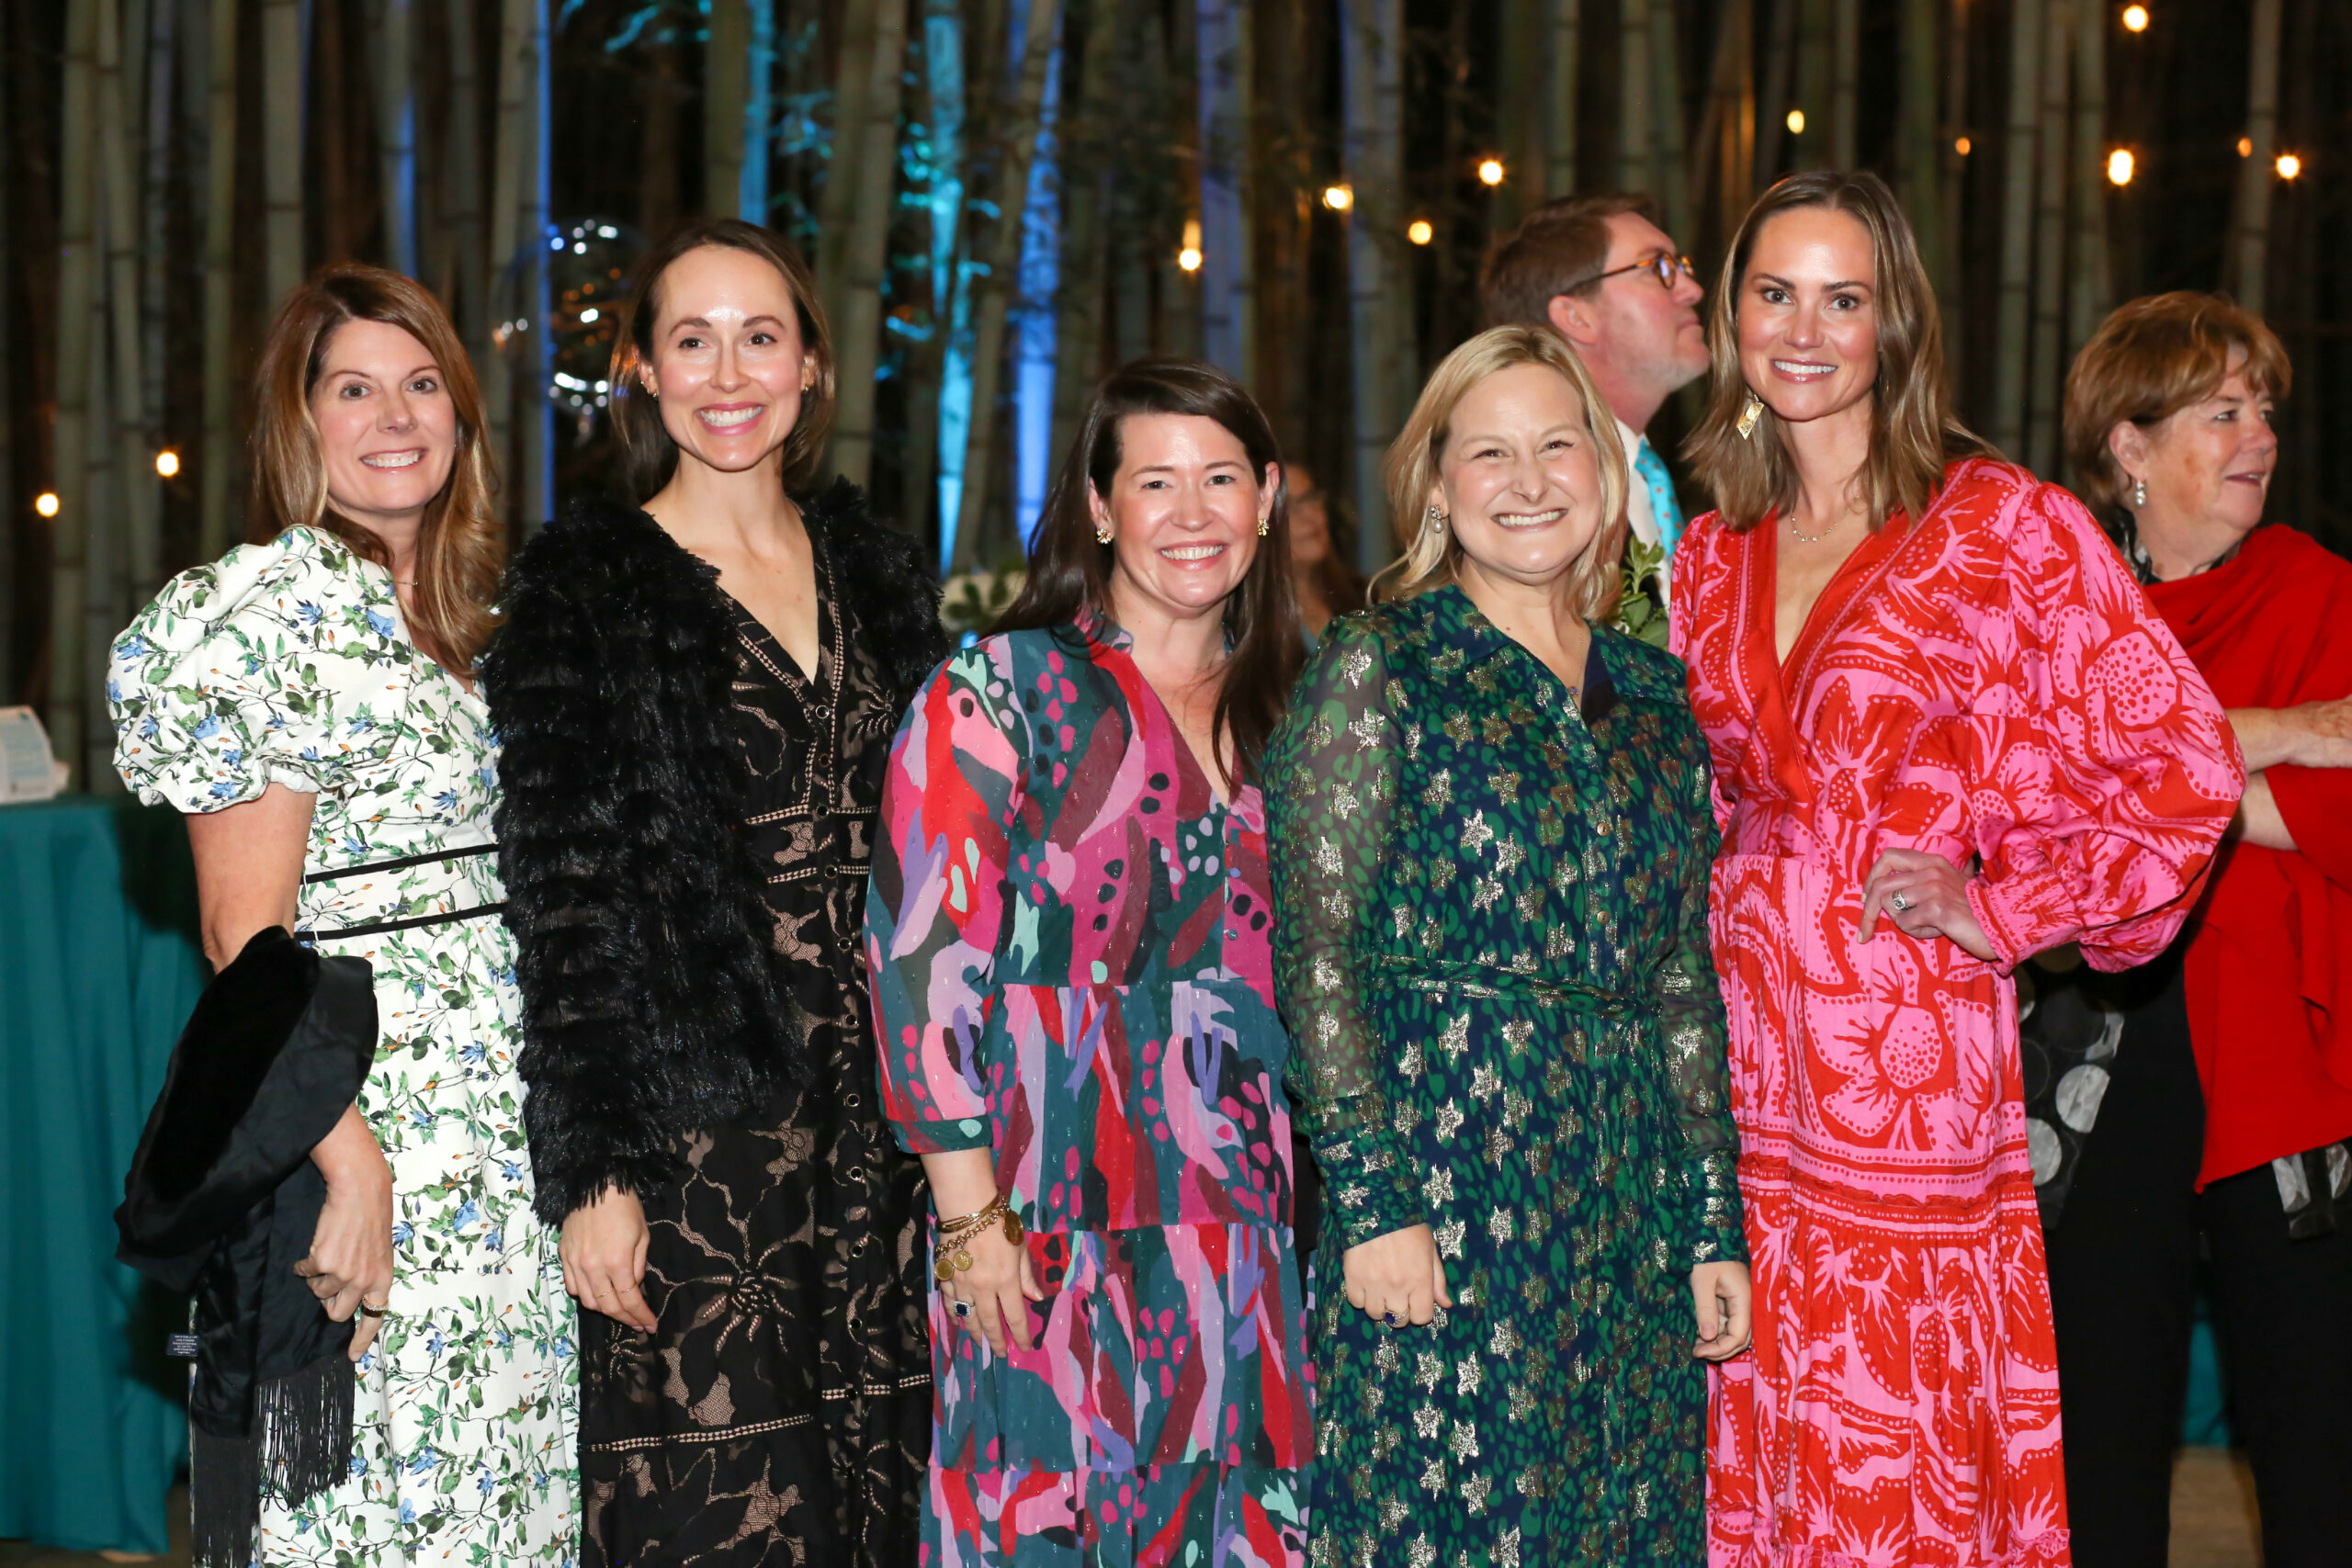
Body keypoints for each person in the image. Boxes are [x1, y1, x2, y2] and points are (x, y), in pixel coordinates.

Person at [1670, 173, 2245, 1568]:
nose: (1803, 330)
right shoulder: (1708, 552)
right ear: (1735, 317)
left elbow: (2184, 764)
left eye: (1843, 299)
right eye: (1774, 294)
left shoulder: (2000, 528)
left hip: (1903, 1068)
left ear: (1895, 327)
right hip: (1740, 1070)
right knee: (1756, 1422)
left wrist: (2005, 908)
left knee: (1893, 1440)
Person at [482, 219, 944, 1566]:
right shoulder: (585, 588)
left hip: (888, 1131)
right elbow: (564, 908)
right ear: (643, 369)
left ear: (812, 366)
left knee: (889, 1500)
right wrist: (594, 1170)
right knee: (720, 1514)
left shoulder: (880, 571)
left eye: (761, 338)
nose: (729, 374)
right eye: (694, 340)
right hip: (700, 1142)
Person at [107, 265, 577, 1562]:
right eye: (354, 390)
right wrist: (349, 1165)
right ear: (300, 420)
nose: (395, 416)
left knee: (503, 1491)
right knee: (379, 1503)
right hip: (371, 1123)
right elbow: (242, 942)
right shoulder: (269, 611)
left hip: (503, 1141)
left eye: (421, 384)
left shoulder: (466, 622)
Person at [1265, 324, 1750, 1567]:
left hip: (1627, 1200)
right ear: (1436, 485)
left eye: (1557, 445)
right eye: (1489, 453)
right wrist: (1370, 1198)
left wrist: (1711, 1218)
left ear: (1603, 469)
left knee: (1620, 1526)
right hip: (1448, 1186)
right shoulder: (1381, 662)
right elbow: (1318, 950)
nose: (1529, 481)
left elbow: (1679, 975)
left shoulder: (1657, 694)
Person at [865, 359, 1312, 1565]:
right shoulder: (999, 691)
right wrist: (968, 1218)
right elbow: (918, 960)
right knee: (1041, 1528)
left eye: (1221, 479)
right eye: (1155, 482)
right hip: (1039, 1216)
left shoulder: (1300, 707)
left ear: (1268, 497)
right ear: (1101, 507)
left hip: (1241, 1231)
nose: (1192, 512)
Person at [2039, 292, 2352, 1568]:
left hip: (2280, 1057)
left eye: (2263, 408)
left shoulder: (2316, 587)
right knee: (2098, 1447)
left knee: (2317, 1443)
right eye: (2222, 411)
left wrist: (2146, 785)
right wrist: (2270, 745)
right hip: (2094, 1061)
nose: (2258, 434)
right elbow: (2029, 797)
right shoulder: (2060, 605)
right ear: (2129, 442)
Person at [1481, 192, 1709, 605]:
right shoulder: (1538, 501)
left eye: (1681, 266)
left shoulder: (1654, 477)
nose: (1692, 290)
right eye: (1657, 267)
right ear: (1576, 317)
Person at [1284, 460, 1367, 650]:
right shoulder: (1251, 620)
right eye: (1289, 507)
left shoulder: (1362, 594)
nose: (1310, 516)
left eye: (1311, 499)